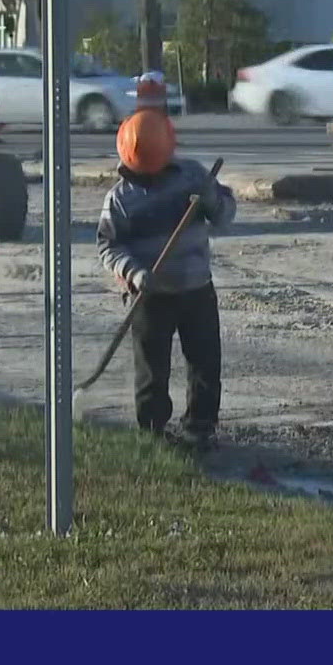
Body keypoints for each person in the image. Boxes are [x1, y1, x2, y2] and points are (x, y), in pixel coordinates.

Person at [97, 94, 236, 453]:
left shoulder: (191, 175)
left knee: (205, 362)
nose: (155, 174)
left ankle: (200, 427)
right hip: (149, 295)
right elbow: (108, 246)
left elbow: (223, 217)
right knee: (151, 371)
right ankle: (153, 432)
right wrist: (135, 273)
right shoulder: (120, 199)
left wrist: (212, 199)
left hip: (195, 289)